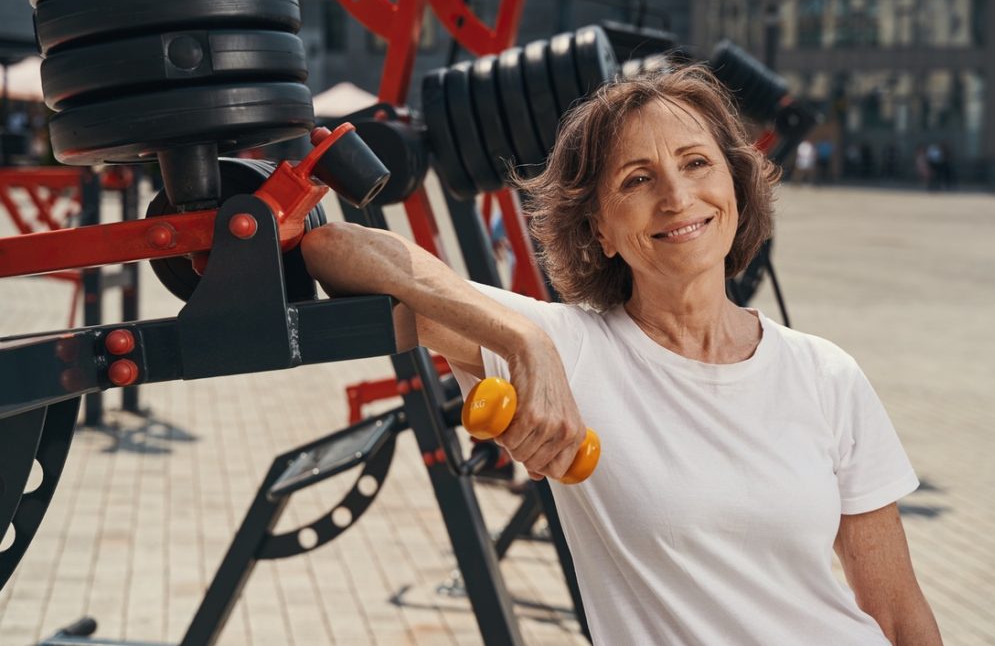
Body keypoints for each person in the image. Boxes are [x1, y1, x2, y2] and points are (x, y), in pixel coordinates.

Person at [301, 65, 943, 645]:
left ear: (735, 188)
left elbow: (898, 614)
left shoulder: (827, 374)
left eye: (697, 163)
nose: (677, 197)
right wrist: (521, 343)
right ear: (600, 229)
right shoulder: (572, 346)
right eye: (638, 179)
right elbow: (333, 248)